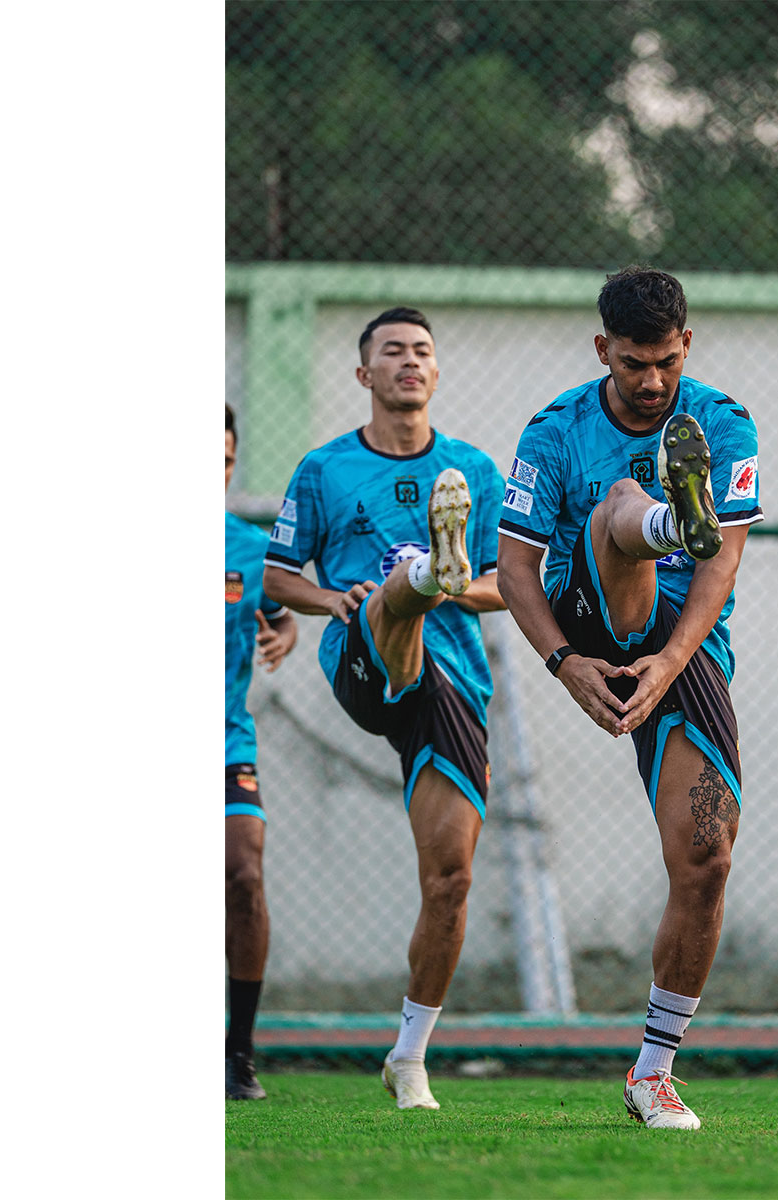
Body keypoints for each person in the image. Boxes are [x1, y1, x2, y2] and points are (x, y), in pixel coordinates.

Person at [496, 267, 762, 1130]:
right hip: (590, 615)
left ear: (688, 344)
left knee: (709, 853)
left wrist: (669, 664)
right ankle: (657, 520)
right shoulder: (554, 431)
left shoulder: (724, 423)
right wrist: (564, 663)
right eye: (633, 364)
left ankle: (652, 1073)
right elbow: (512, 572)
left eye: (665, 363)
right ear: (602, 349)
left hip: (681, 646)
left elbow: (721, 566)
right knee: (619, 503)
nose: (651, 382)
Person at [262, 307, 507, 1111]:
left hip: (453, 690)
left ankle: (408, 1056)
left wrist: (460, 588)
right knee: (392, 599)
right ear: (363, 375)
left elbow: (513, 583)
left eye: (423, 352)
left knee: (451, 880)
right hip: (363, 662)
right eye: (392, 351)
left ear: (437, 375)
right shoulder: (325, 469)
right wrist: (333, 599)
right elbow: (276, 573)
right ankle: (416, 582)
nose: (409, 361)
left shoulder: (472, 468)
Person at [225, 404, 298, 1100]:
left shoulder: (246, 548)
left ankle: (237, 1055)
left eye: (221, 462)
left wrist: (282, 637)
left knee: (244, 871)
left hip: (225, 739)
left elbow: (280, 620)